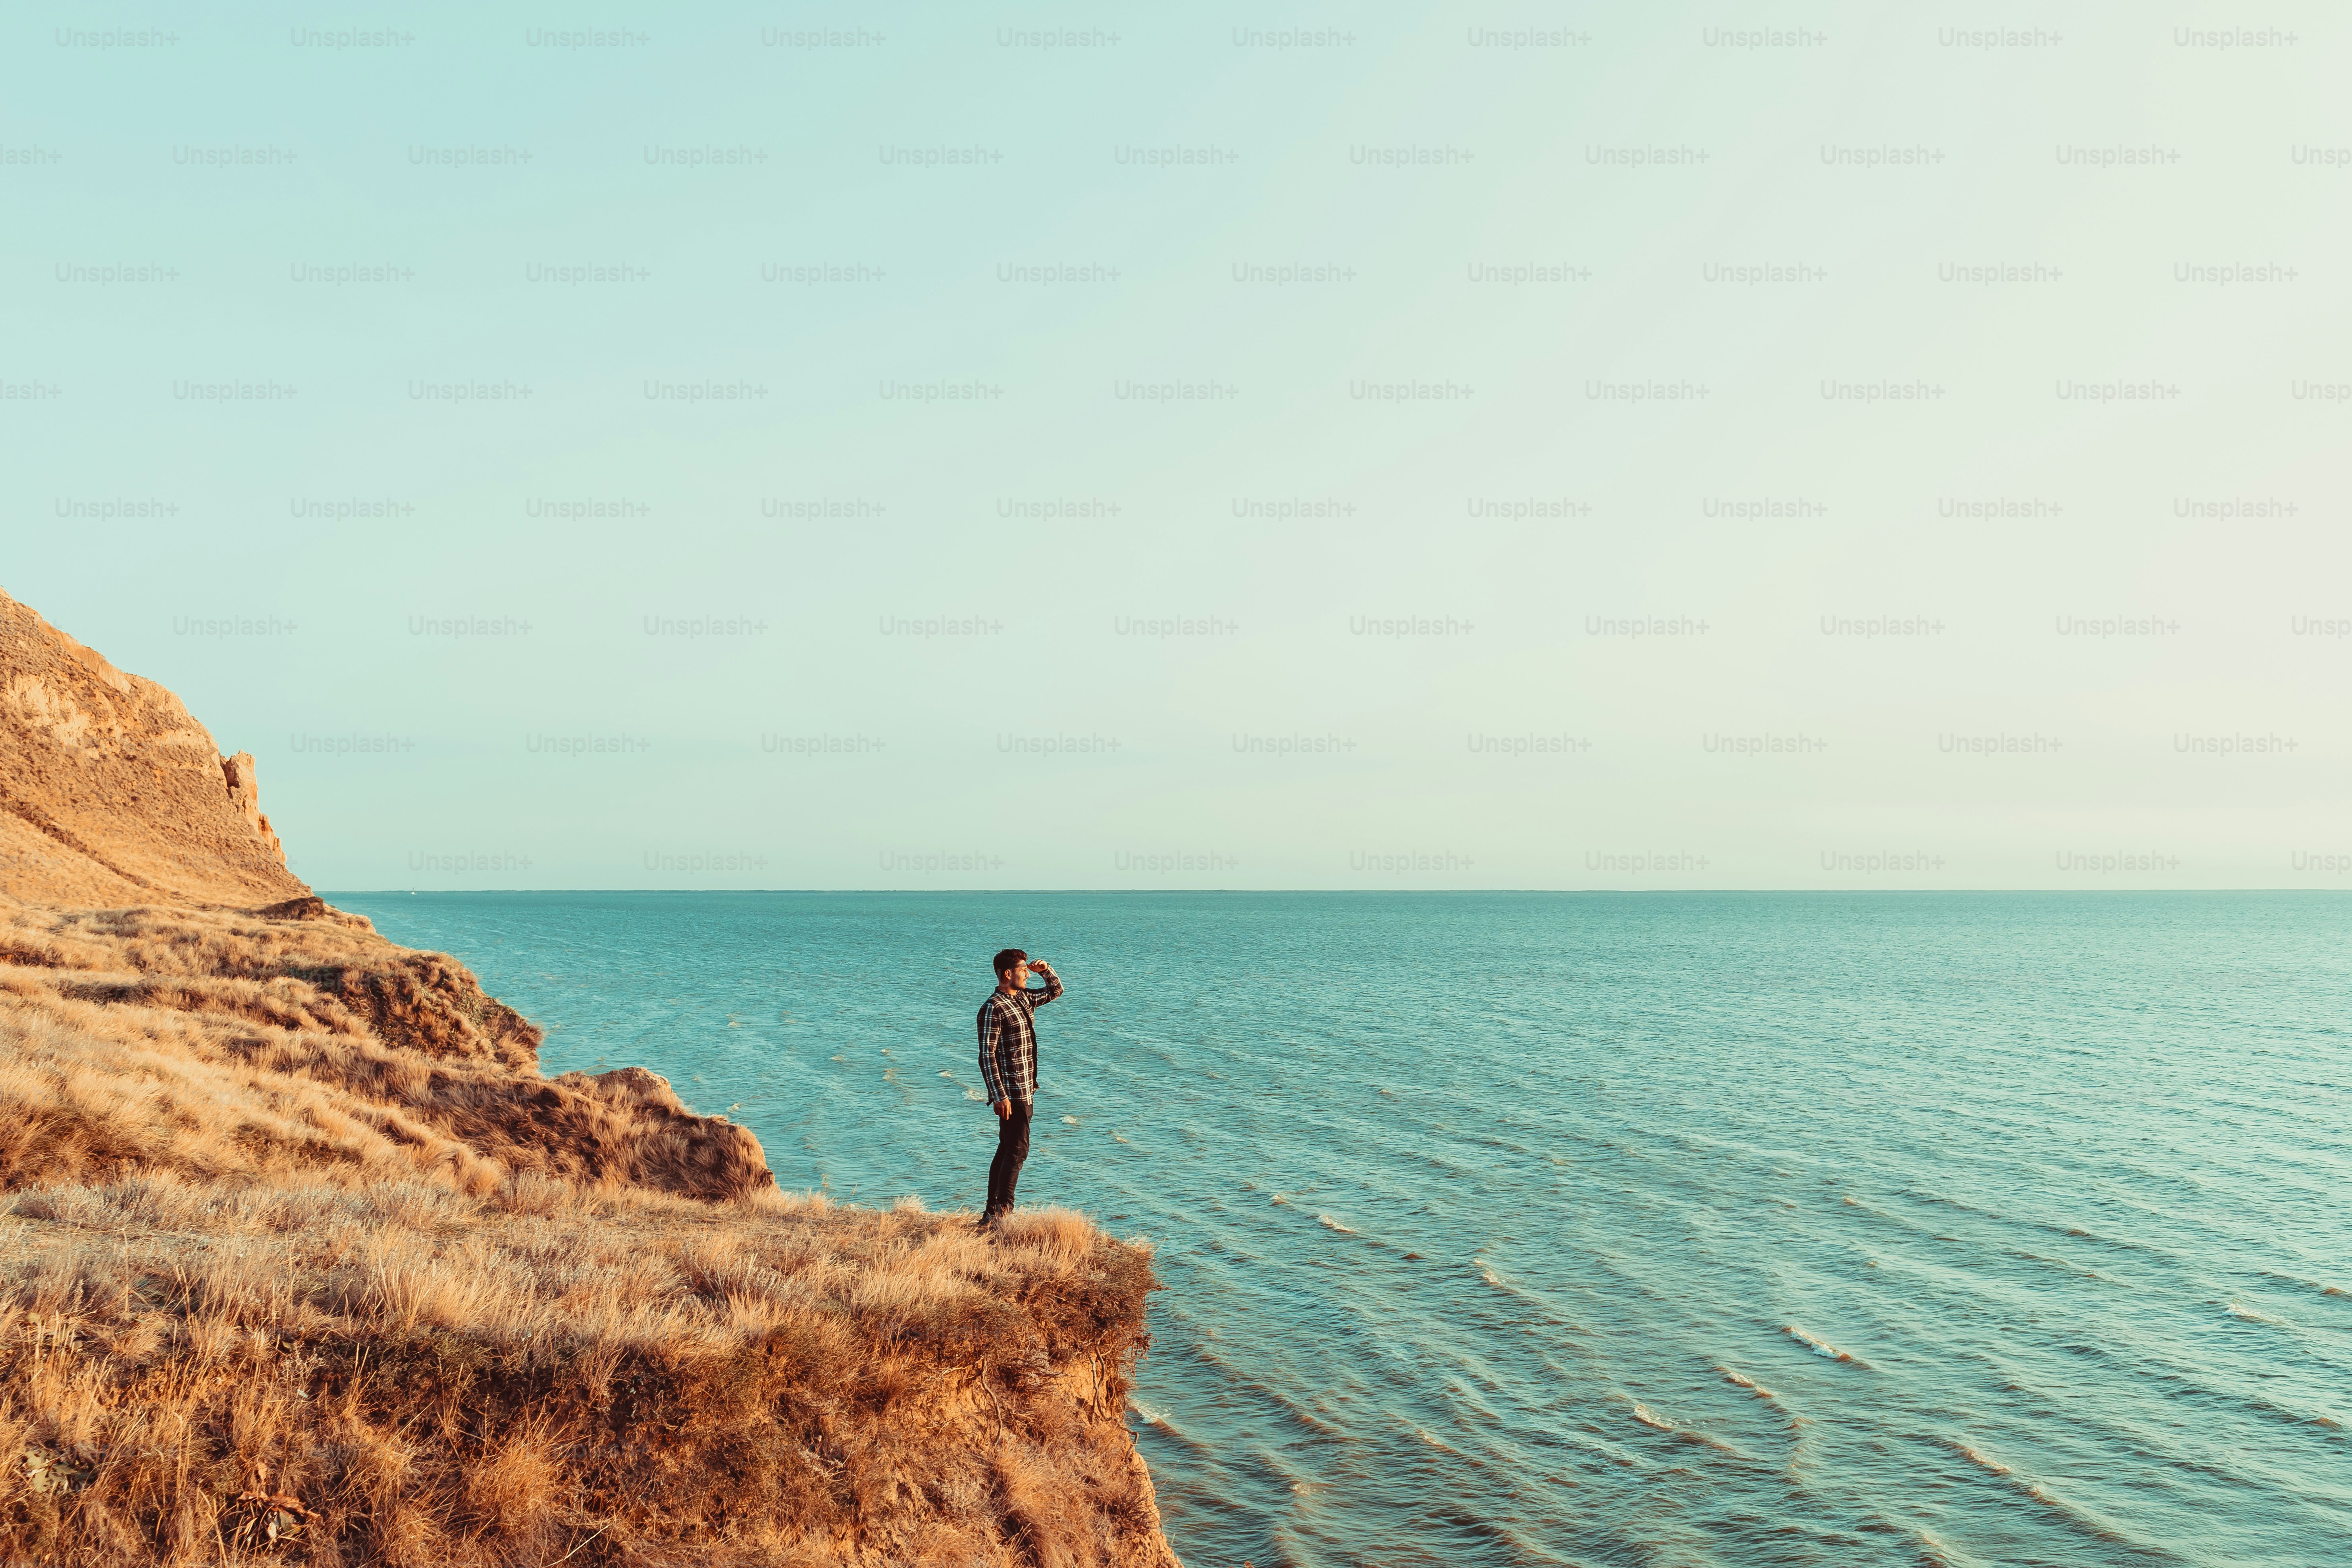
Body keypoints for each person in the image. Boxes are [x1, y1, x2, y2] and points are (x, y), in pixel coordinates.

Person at [976, 947, 1061, 1231]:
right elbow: (986, 1055)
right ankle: (1003, 1213)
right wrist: (998, 1095)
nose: (1027, 973)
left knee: (1007, 1149)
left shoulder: (1023, 998)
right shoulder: (993, 1007)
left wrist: (1045, 970)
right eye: (1023, 969)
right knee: (1017, 1151)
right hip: (1011, 1093)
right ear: (1007, 974)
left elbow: (1056, 991)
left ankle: (992, 1213)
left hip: (1026, 1088)